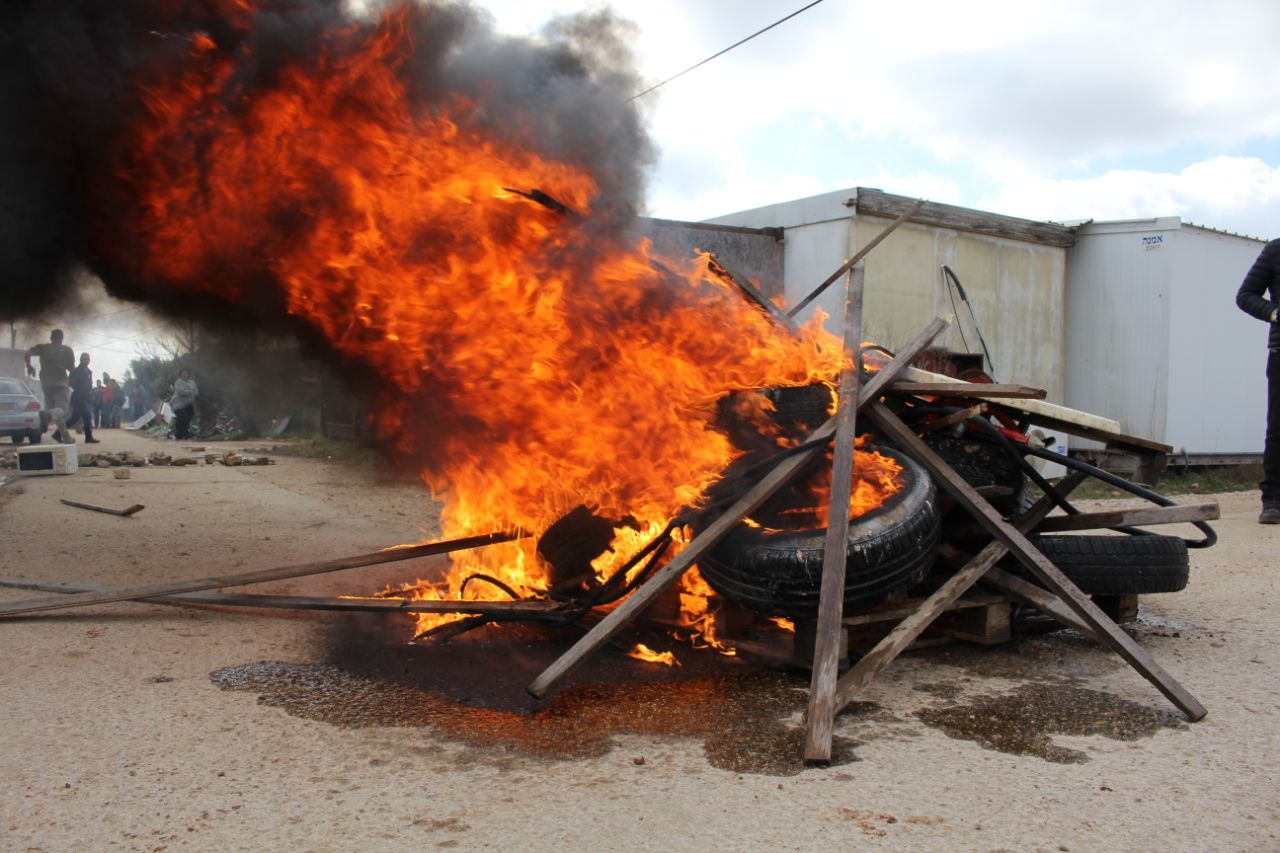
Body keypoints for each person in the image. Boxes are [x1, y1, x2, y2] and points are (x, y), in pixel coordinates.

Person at [1236, 238, 1280, 524]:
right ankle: (1274, 500)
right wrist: (1273, 313)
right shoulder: (1276, 250)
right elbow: (1246, 295)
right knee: (1278, 429)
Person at [23, 329, 75, 415]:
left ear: (51, 338)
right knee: (62, 410)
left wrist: (29, 366)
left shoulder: (43, 348)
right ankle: (46, 416)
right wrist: (72, 380)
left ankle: (58, 427)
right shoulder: (67, 350)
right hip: (60, 384)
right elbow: (72, 369)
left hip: (46, 384)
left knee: (52, 411)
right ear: (62, 338)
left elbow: (27, 353)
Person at [64, 352, 99, 444]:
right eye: (86, 359)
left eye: (88, 359)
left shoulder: (88, 371)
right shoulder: (76, 371)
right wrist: (80, 389)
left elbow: (89, 384)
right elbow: (70, 382)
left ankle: (58, 433)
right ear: (81, 359)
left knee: (74, 418)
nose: (88, 360)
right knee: (87, 416)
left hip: (85, 397)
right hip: (78, 397)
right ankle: (88, 437)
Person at [170, 368, 198, 440]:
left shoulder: (192, 382)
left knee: (189, 415)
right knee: (182, 416)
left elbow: (196, 392)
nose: (185, 375)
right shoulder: (178, 382)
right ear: (180, 375)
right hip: (178, 404)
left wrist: (191, 392)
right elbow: (180, 392)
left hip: (188, 404)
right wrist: (190, 391)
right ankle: (178, 433)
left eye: (186, 373)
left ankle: (185, 432)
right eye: (183, 374)